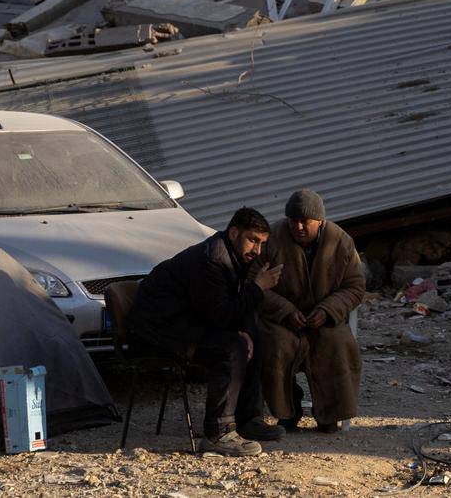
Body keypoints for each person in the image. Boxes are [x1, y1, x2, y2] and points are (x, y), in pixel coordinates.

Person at [127, 206, 285, 456]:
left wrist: (242, 327)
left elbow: (224, 308)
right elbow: (219, 314)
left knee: (253, 332)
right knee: (231, 348)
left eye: (261, 243)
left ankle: (248, 419)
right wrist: (257, 289)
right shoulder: (212, 260)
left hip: (185, 322)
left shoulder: (232, 256)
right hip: (159, 331)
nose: (257, 250)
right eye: (252, 240)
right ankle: (218, 433)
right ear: (234, 233)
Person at [257, 189, 367, 433]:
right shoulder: (272, 239)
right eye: (293, 221)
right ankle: (287, 413)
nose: (298, 227)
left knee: (336, 343)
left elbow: (355, 287)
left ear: (320, 221)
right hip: (282, 320)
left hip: (324, 319)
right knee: (276, 345)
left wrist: (327, 310)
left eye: (304, 222)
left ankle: (329, 414)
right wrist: (286, 311)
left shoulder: (341, 242)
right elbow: (255, 286)